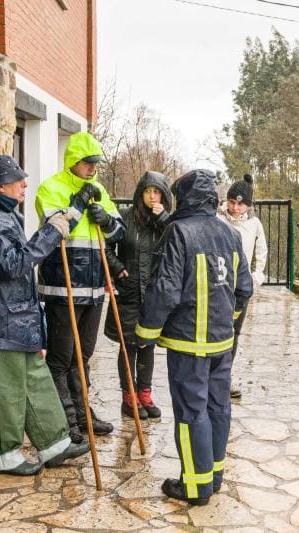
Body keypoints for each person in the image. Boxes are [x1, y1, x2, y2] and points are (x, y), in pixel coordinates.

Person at [0, 155, 90, 475]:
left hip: (15, 316)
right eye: (18, 180)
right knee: (6, 389)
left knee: (35, 380)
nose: (25, 184)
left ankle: (54, 442)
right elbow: (12, 265)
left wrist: (65, 219)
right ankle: (4, 455)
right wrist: (51, 233)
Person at [135, 169, 253, 505]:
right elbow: (244, 289)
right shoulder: (229, 233)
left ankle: (195, 486)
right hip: (221, 343)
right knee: (218, 408)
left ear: (183, 198)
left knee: (191, 413)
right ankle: (214, 476)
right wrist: (225, 321)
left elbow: (164, 290)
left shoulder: (177, 232)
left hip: (188, 344)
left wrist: (146, 332)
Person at [35, 132, 125, 442]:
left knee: (82, 355)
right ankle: (65, 420)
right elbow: (54, 231)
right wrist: (78, 203)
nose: (93, 169)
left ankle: (83, 413)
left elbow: (118, 232)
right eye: (88, 164)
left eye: (96, 164)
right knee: (61, 357)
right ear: (74, 161)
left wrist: (105, 218)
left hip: (94, 288)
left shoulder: (98, 188)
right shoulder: (50, 188)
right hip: (64, 287)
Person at [105, 171, 173, 420]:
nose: (152, 196)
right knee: (128, 346)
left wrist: (163, 219)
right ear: (140, 193)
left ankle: (145, 394)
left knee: (148, 345)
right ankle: (128, 397)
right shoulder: (125, 217)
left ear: (163, 196)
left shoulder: (165, 223)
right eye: (148, 191)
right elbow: (107, 245)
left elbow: (177, 242)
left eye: (156, 192)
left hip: (153, 293)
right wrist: (117, 268)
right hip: (128, 290)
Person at [216, 173, 267, 398]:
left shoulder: (254, 224)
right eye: (232, 202)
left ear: (248, 205)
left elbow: (262, 252)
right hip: (218, 284)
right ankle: (212, 375)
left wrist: (256, 277)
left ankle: (224, 377)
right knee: (217, 330)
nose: (235, 208)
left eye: (241, 204)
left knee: (234, 332)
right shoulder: (217, 219)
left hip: (241, 287)